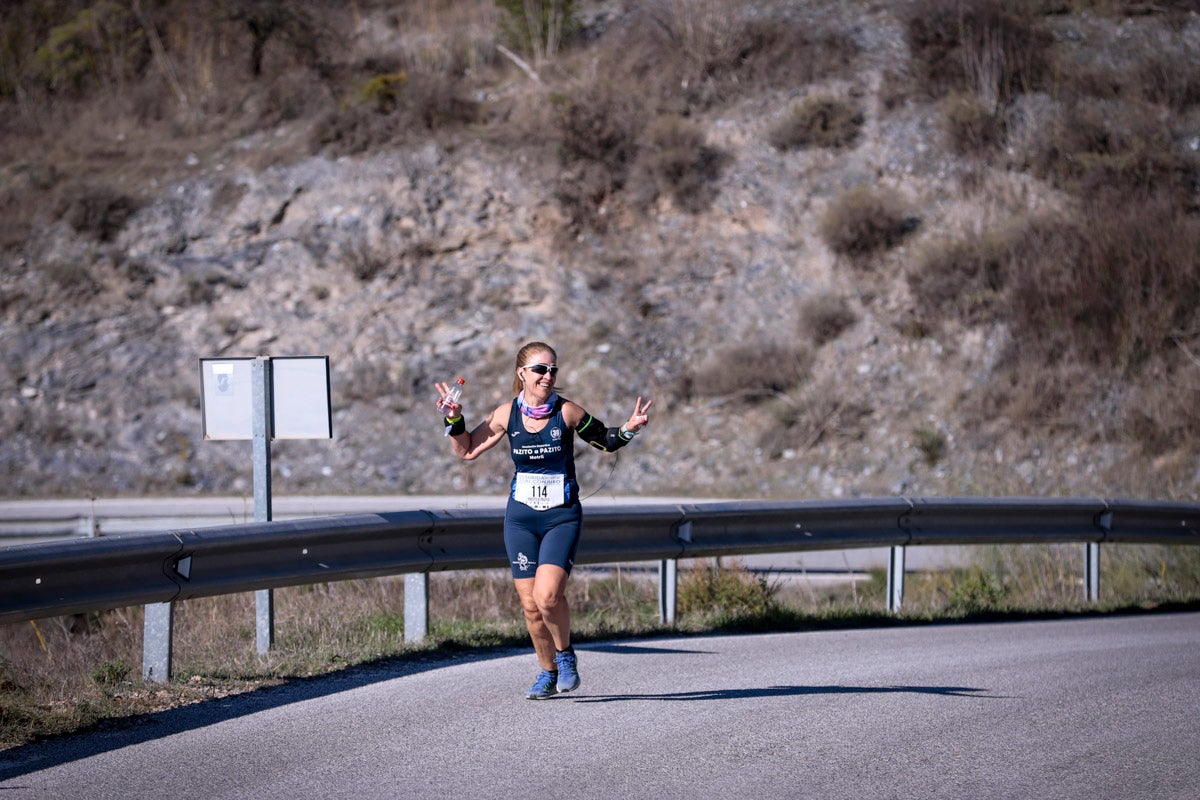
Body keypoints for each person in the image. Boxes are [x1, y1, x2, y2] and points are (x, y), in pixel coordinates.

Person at [434, 341, 652, 700]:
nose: (548, 376)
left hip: (560, 516)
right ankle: (547, 672)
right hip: (520, 519)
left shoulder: (566, 412)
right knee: (531, 607)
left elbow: (605, 441)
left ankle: (565, 657)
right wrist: (454, 418)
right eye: (540, 369)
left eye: (553, 370)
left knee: (548, 596)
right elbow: (467, 449)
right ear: (522, 374)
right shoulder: (506, 414)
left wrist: (628, 429)